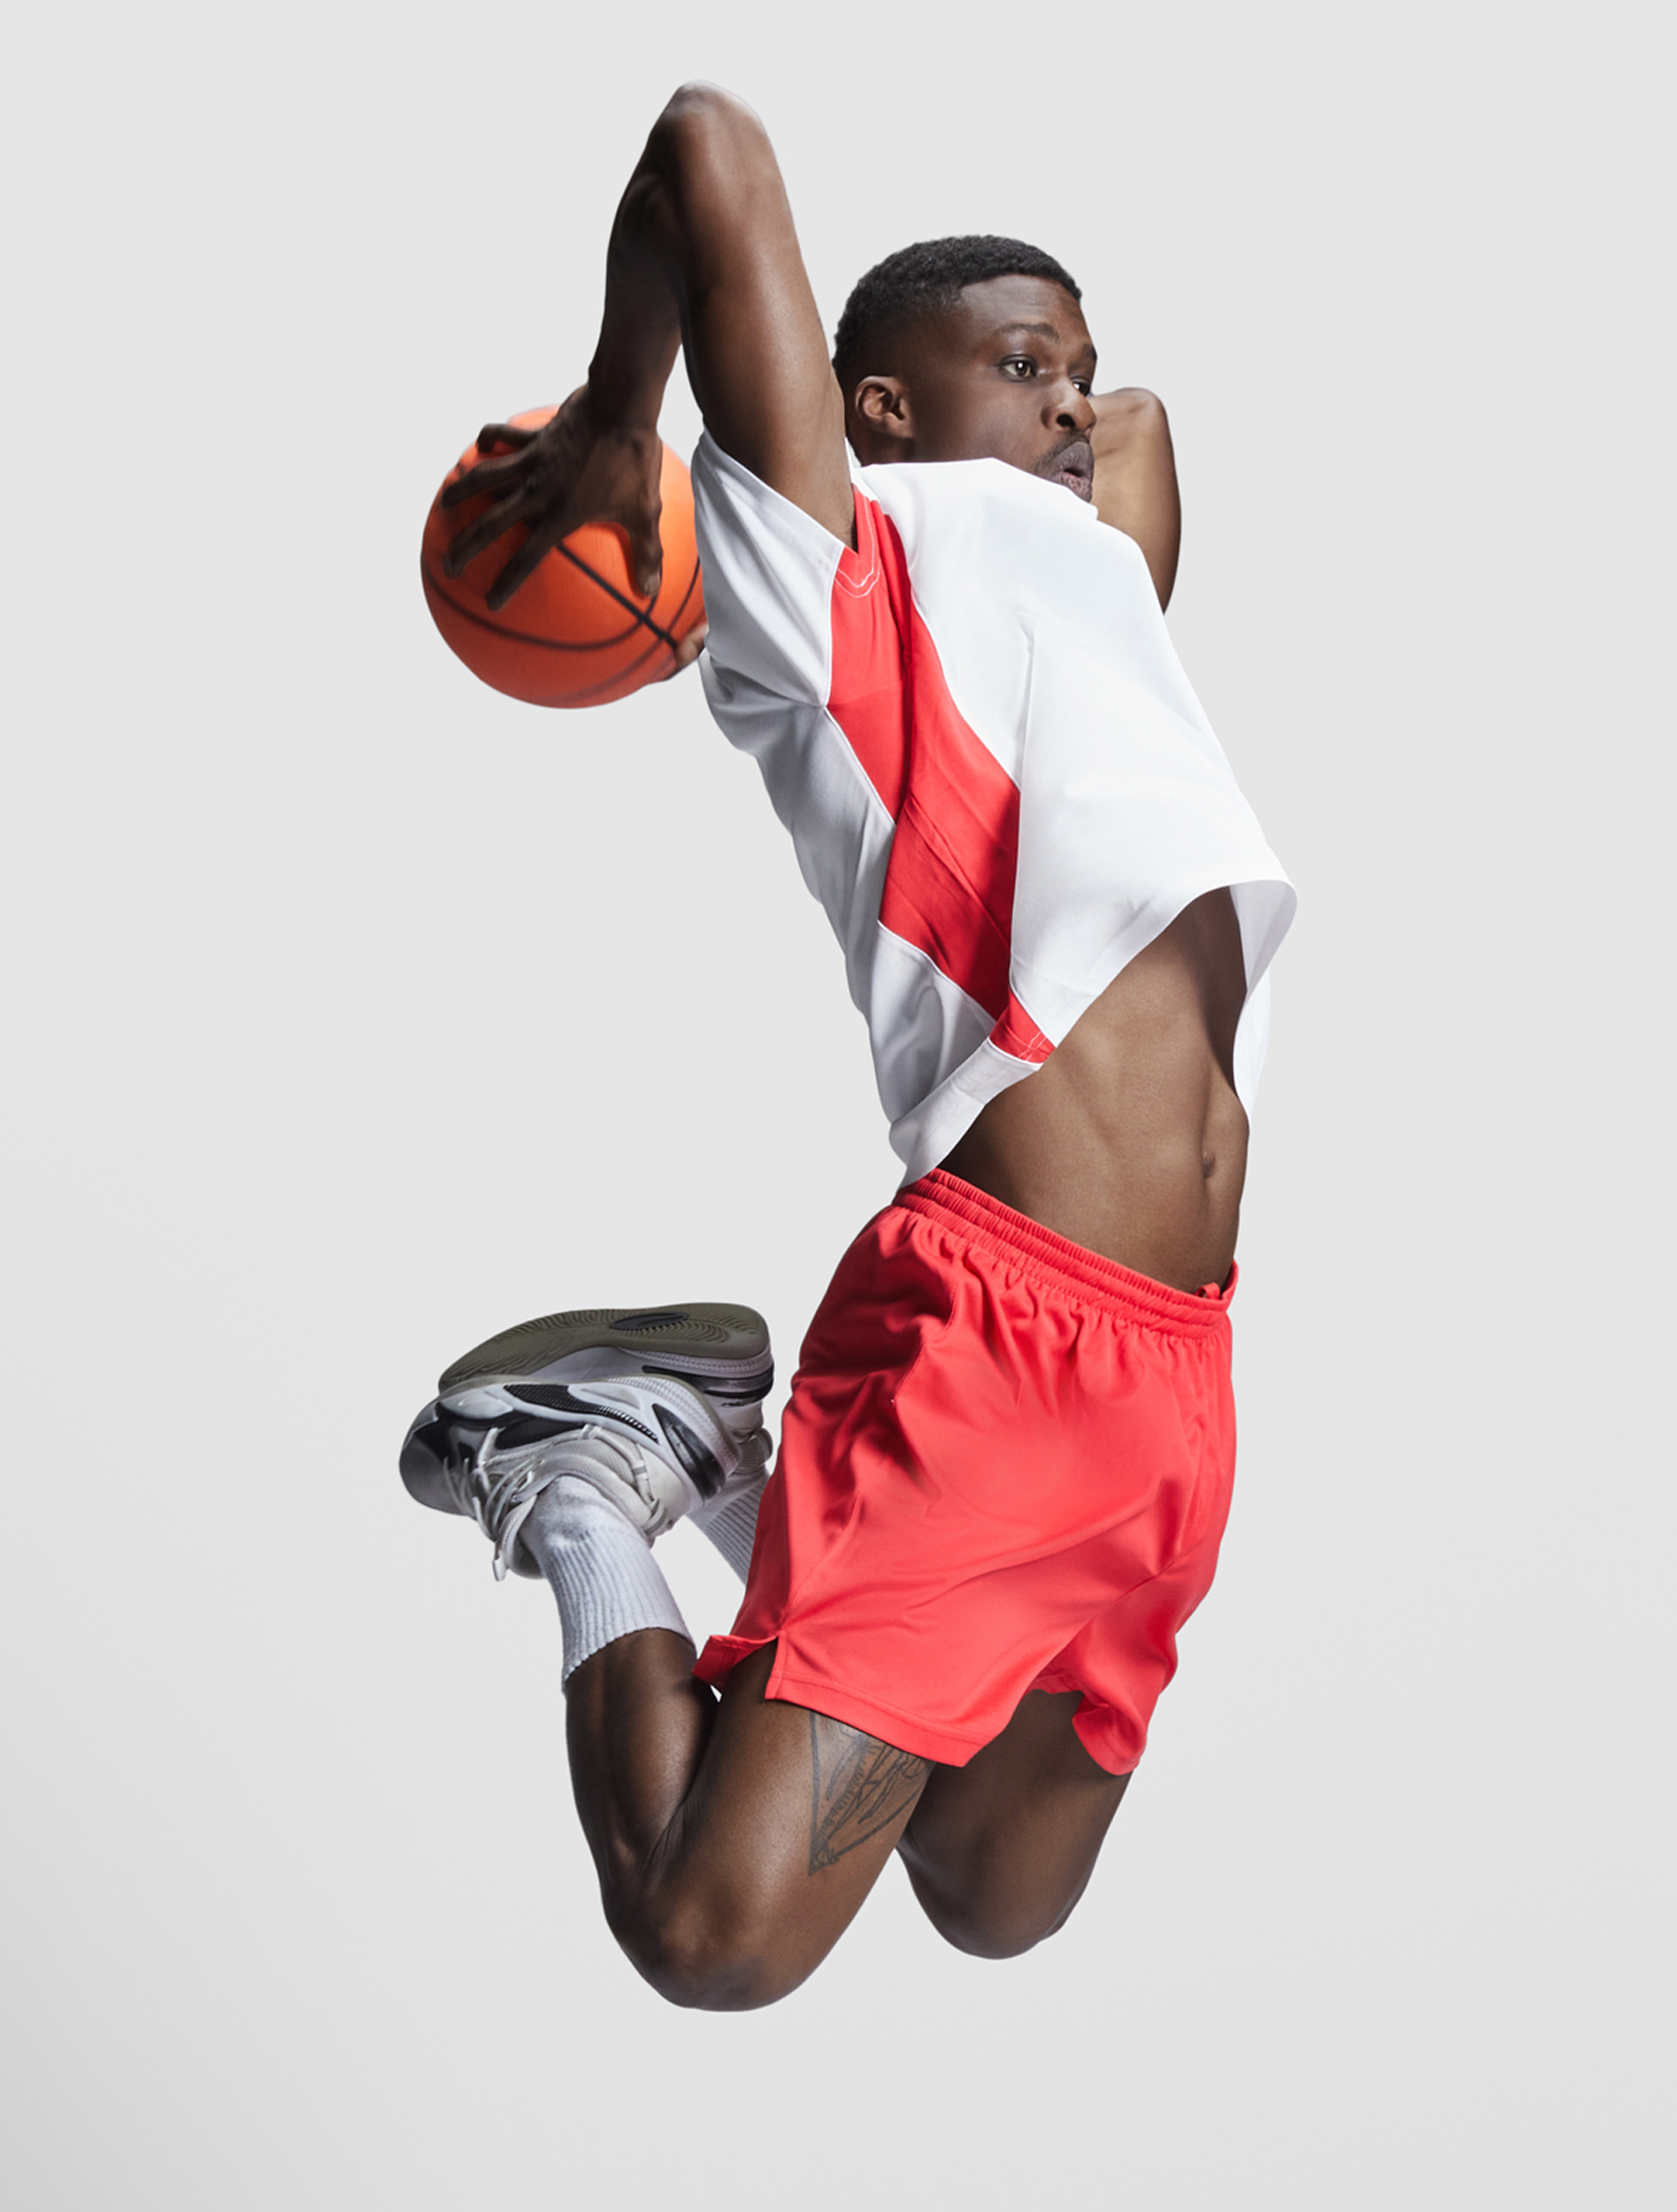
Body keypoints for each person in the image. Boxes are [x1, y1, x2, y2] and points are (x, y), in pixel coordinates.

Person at [401, 81, 1295, 2012]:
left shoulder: (1091, 590)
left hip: (1175, 1371)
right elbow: (706, 149)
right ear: (869, 411)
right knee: (710, 1933)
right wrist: (625, 422)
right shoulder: (840, 580)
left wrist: (1043, 386)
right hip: (1003, 1333)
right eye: (1023, 369)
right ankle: (579, 1469)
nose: (1076, 405)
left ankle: (733, 1460)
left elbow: (1141, 429)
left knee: (991, 1885)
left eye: (1078, 370)